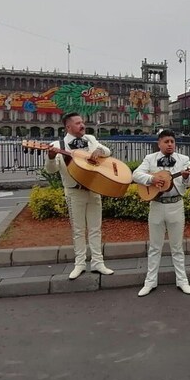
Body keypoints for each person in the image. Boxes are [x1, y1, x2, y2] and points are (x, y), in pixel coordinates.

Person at [45, 113, 114, 280]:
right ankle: (80, 263)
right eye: (78, 123)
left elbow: (107, 151)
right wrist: (51, 157)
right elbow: (51, 170)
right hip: (74, 192)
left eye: (82, 122)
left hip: (94, 189)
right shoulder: (57, 145)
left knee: (95, 228)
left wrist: (99, 150)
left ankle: (98, 262)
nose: (82, 125)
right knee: (78, 230)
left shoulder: (90, 139)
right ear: (68, 127)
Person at [133, 129, 190, 297]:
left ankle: (182, 281)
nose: (170, 144)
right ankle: (150, 282)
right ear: (159, 143)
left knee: (177, 247)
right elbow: (136, 174)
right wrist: (152, 179)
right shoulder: (150, 159)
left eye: (172, 142)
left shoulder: (183, 160)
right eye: (166, 141)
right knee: (154, 247)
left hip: (176, 205)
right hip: (156, 205)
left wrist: (185, 177)